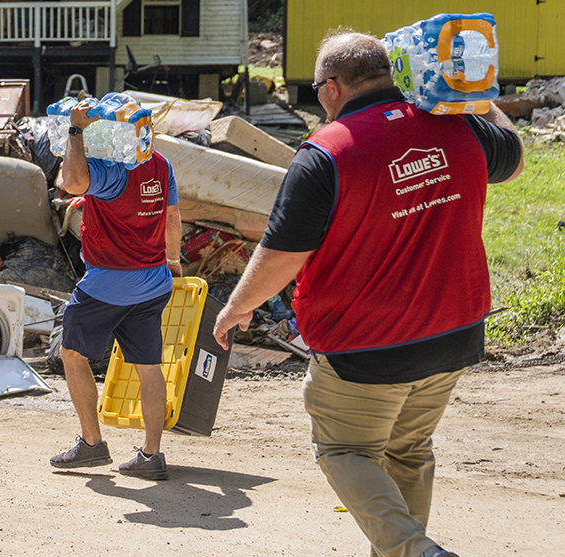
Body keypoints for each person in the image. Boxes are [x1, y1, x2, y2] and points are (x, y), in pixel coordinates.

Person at [212, 31, 522, 557]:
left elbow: (283, 255)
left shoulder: (327, 154)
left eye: (315, 89)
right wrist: (480, 96)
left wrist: (236, 307)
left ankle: (415, 550)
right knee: (409, 448)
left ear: (332, 87)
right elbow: (512, 159)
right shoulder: (460, 127)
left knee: (344, 449)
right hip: (454, 333)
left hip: (366, 344)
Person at [49, 94, 183, 480]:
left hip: (108, 284)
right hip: (154, 281)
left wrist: (75, 130)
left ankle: (92, 444)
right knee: (148, 367)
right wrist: (172, 261)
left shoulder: (111, 172)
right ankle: (151, 455)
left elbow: (72, 181)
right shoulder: (160, 164)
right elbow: (172, 216)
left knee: (72, 354)